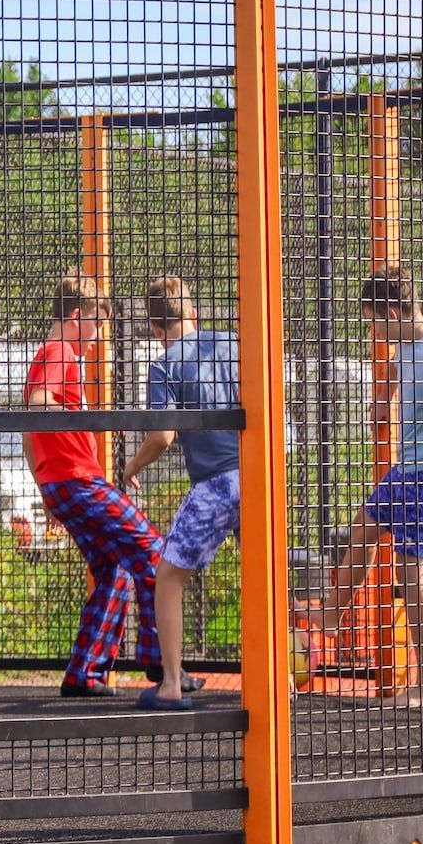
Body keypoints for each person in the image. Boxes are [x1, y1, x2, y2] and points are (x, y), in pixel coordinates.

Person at [310, 266, 423, 708]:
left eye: (374, 321)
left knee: (411, 578)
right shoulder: (402, 347)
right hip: (402, 472)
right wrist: (383, 402)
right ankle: (330, 613)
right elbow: (400, 377)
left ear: (394, 312)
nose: (374, 332)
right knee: (362, 530)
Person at [24, 272, 164, 697]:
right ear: (75, 316)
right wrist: (91, 421)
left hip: (59, 483)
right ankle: (162, 661)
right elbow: (36, 407)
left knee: (116, 570)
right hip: (78, 480)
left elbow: (27, 435)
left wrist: (43, 487)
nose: (99, 335)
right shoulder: (60, 351)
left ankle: (85, 672)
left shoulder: (47, 355)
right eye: (97, 323)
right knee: (154, 553)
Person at [120, 278, 238, 710]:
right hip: (255, 476)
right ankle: (279, 676)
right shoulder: (231, 344)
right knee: (264, 576)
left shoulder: (164, 365)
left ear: (154, 326)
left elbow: (163, 436)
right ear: (193, 314)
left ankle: (171, 683)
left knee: (168, 578)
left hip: (215, 482)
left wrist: (132, 465)